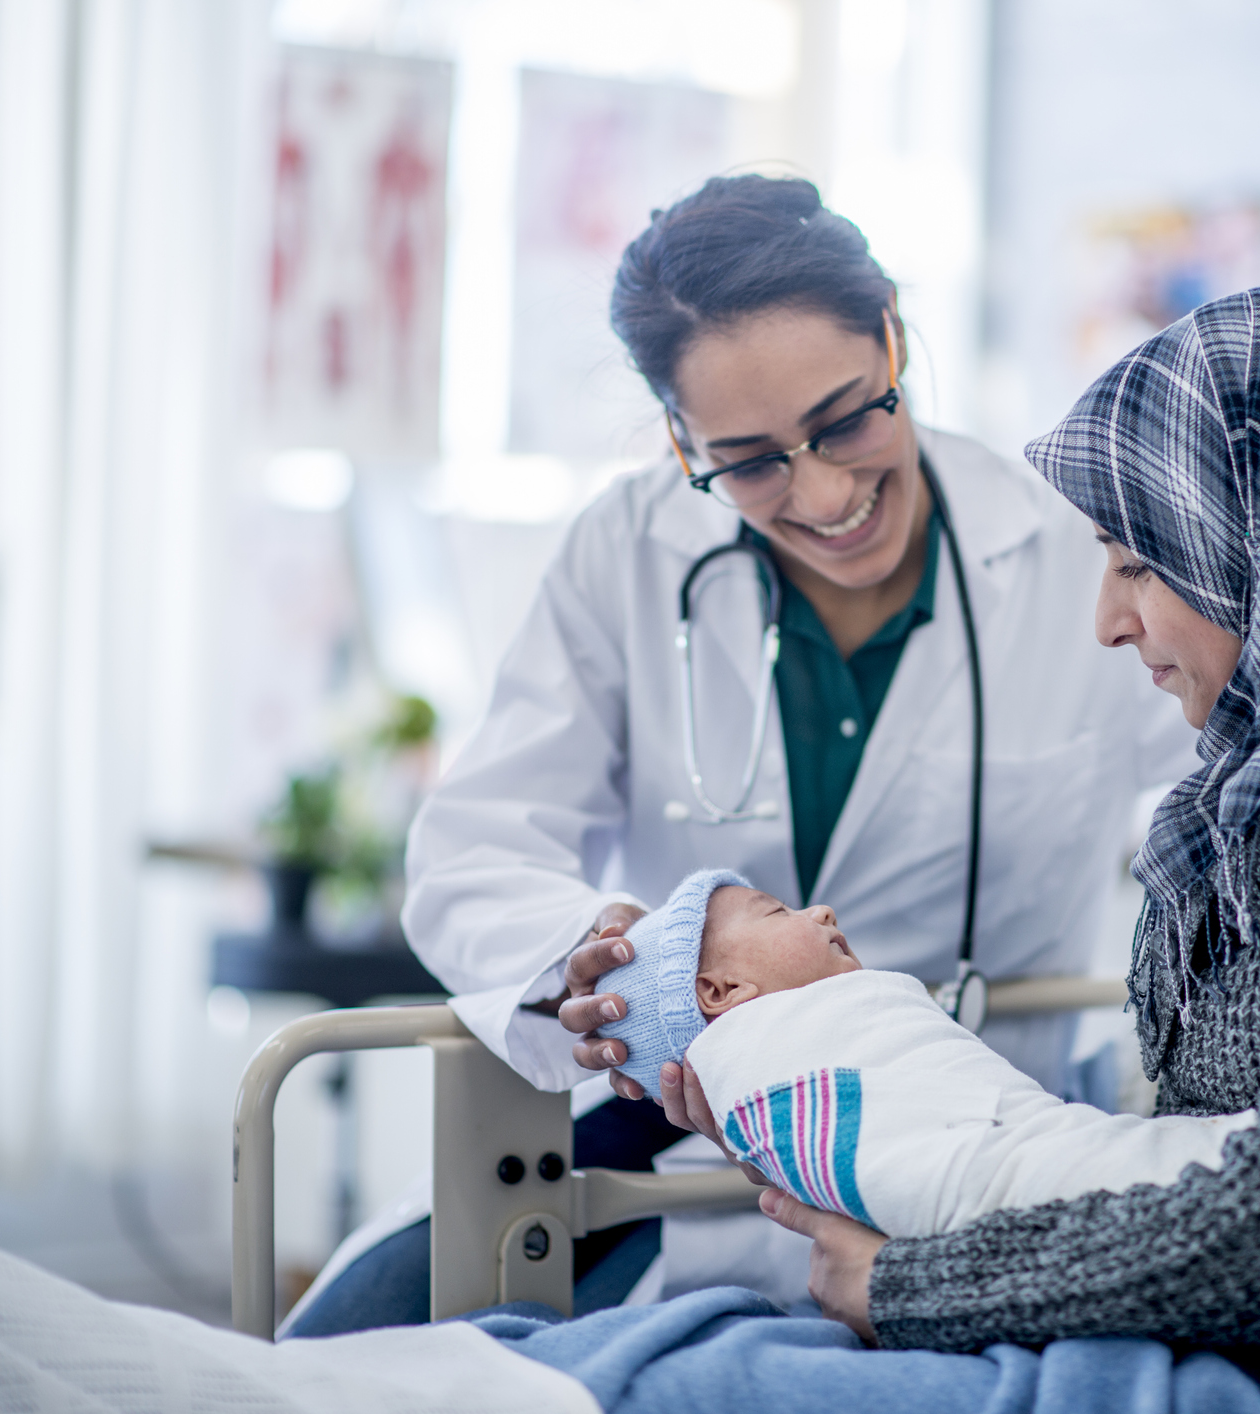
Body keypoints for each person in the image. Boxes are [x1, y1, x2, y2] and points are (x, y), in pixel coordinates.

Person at [644, 282, 1260, 1383]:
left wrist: (904, 1284)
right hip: (1213, 1325)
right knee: (661, 1353)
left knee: (685, 1380)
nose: (1107, 621)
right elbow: (1170, 1165)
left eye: (1140, 562)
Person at [286, 174, 1194, 1334]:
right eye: (752, 459)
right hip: (680, 1139)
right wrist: (593, 957)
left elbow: (1240, 794)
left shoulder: (1074, 551)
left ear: (892, 340)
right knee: (327, 1354)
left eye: (849, 417)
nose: (823, 492)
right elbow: (470, 855)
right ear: (678, 439)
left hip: (968, 1137)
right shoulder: (627, 552)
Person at [594, 868, 1253, 1239]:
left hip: (1024, 1135)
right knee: (1150, 1175)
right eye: (776, 912)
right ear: (722, 991)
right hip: (984, 1174)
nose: (821, 910)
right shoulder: (771, 1063)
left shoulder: (847, 1018)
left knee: (1123, 1164)